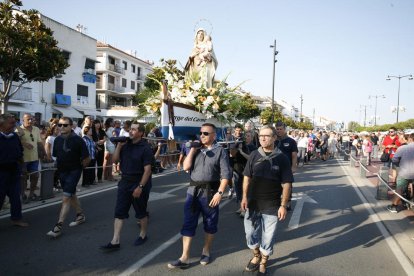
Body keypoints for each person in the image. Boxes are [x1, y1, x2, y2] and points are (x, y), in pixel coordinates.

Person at [168, 123, 231, 269]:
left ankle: (206, 250)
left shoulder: (220, 151)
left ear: (214, 135)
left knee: (210, 223)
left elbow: (225, 175)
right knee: (189, 222)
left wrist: (220, 193)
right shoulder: (195, 149)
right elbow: (186, 167)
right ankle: (184, 257)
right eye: (201, 133)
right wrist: (193, 150)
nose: (202, 135)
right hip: (193, 191)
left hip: (210, 192)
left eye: (206, 133)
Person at [241, 125, 293, 274]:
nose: (263, 138)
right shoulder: (253, 155)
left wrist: (283, 205)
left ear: (274, 138)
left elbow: (287, 183)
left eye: (267, 136)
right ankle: (256, 255)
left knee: (268, 236)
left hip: (272, 204)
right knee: (250, 233)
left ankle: (263, 260)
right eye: (261, 135)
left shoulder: (282, 158)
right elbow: (247, 177)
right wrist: (244, 197)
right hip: (253, 202)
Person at [100, 122, 153, 251]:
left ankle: (143, 234)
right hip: (125, 181)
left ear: (140, 133)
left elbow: (148, 170)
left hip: (139, 182)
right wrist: (119, 146)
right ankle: (115, 240)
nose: (131, 131)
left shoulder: (145, 148)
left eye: (134, 130)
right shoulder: (125, 144)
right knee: (119, 212)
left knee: (141, 212)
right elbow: (115, 161)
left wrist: (140, 187)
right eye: (130, 129)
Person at [46, 117, 90, 238]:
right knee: (71, 194)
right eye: (60, 125)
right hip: (62, 171)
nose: (62, 127)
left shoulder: (78, 140)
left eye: (65, 125)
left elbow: (87, 158)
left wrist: (81, 168)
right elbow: (56, 156)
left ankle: (58, 226)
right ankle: (80, 215)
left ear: (71, 126)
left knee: (65, 198)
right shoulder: (57, 140)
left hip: (74, 171)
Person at [0, 114, 29, 227]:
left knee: (16, 197)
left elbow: (20, 153)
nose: (14, 125)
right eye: (11, 123)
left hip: (14, 172)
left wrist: (23, 168)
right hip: (1, 173)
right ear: (1, 124)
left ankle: (16, 219)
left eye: (15, 123)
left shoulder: (14, 136)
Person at [16, 113, 46, 202]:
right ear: (23, 120)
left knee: (35, 176)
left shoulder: (36, 129)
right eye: (28, 119)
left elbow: (39, 143)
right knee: (23, 178)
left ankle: (31, 194)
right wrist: (24, 143)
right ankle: (22, 194)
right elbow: (14, 142)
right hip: (23, 159)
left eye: (31, 119)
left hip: (34, 158)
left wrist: (44, 154)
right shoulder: (18, 130)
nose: (30, 121)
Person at [387, 133, 414, 213]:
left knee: (400, 190)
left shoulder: (403, 148)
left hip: (405, 172)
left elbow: (395, 159)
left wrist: (399, 164)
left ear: (410, 139)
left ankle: (394, 206)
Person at [274, 121, 297, 210]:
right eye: (277, 129)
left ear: (285, 129)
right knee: (276, 185)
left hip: (287, 167)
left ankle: (288, 201)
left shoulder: (291, 141)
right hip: (275, 166)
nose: (279, 131)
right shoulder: (274, 140)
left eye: (281, 129)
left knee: (287, 185)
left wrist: (294, 166)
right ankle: (278, 201)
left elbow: (294, 155)